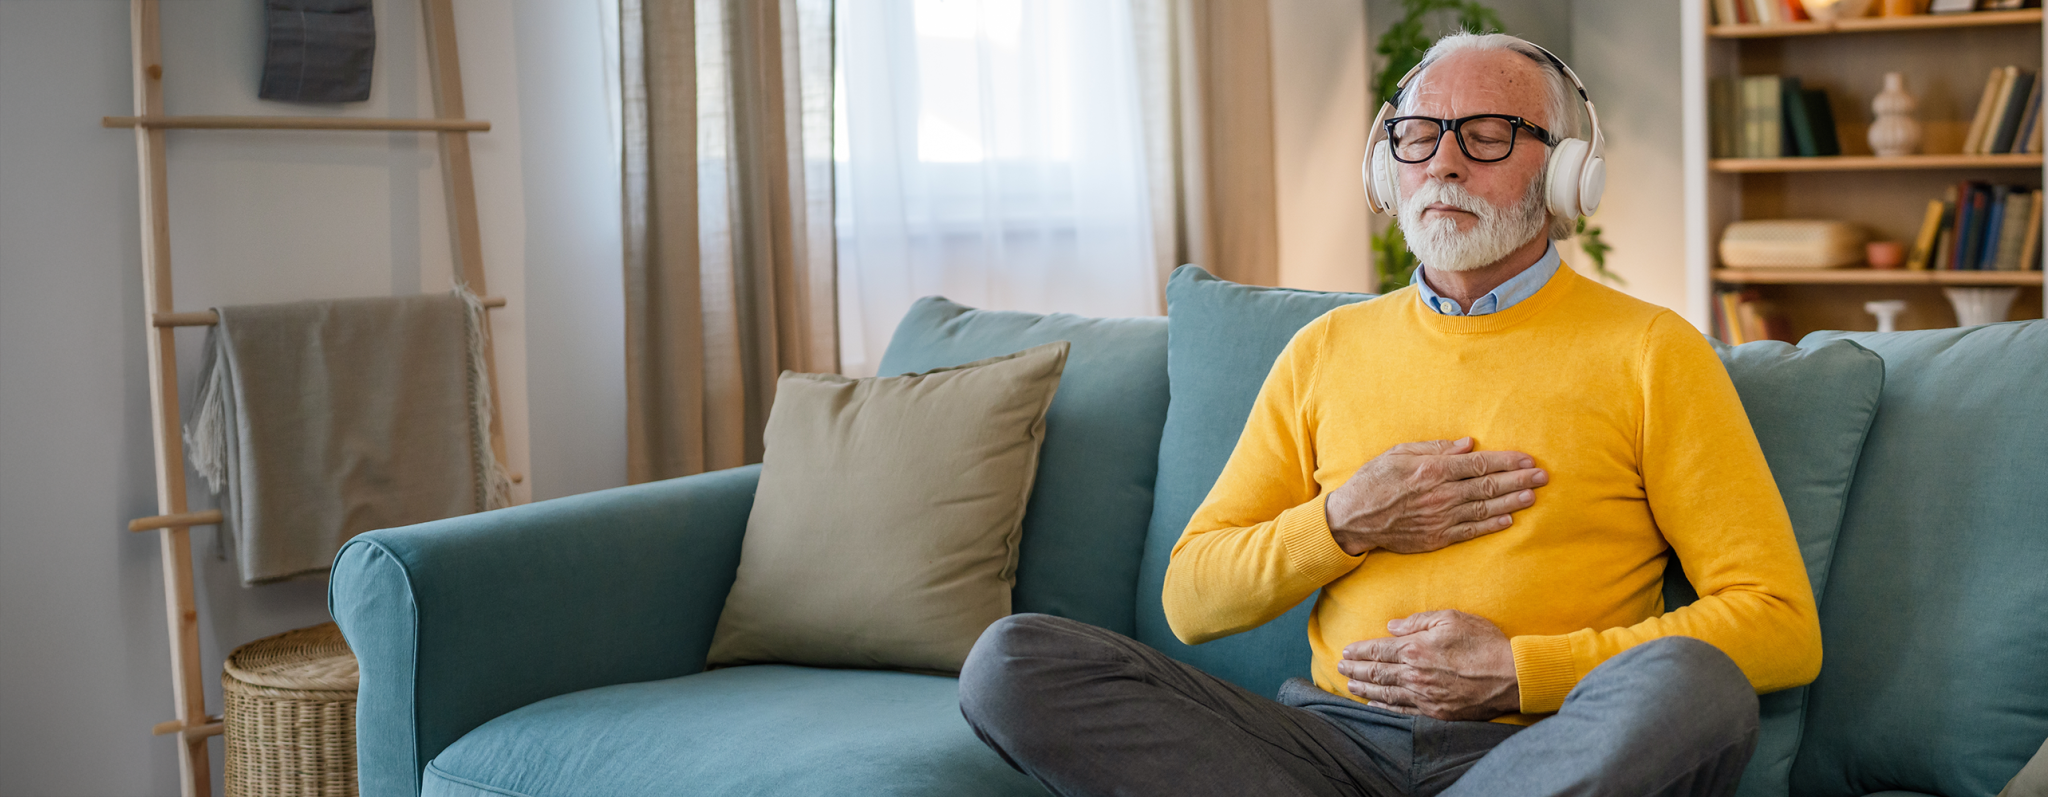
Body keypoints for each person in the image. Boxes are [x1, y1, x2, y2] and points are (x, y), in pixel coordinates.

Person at [956, 32, 1821, 797]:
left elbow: (1778, 622)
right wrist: (1345, 519)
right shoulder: (1324, 350)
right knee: (1010, 662)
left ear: (1565, 174)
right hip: (1323, 750)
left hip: (1538, 753)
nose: (1443, 163)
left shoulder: (1652, 351)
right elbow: (1192, 598)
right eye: (1417, 135)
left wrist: (1516, 671)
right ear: (1386, 166)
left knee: (1696, 687)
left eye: (1487, 135)